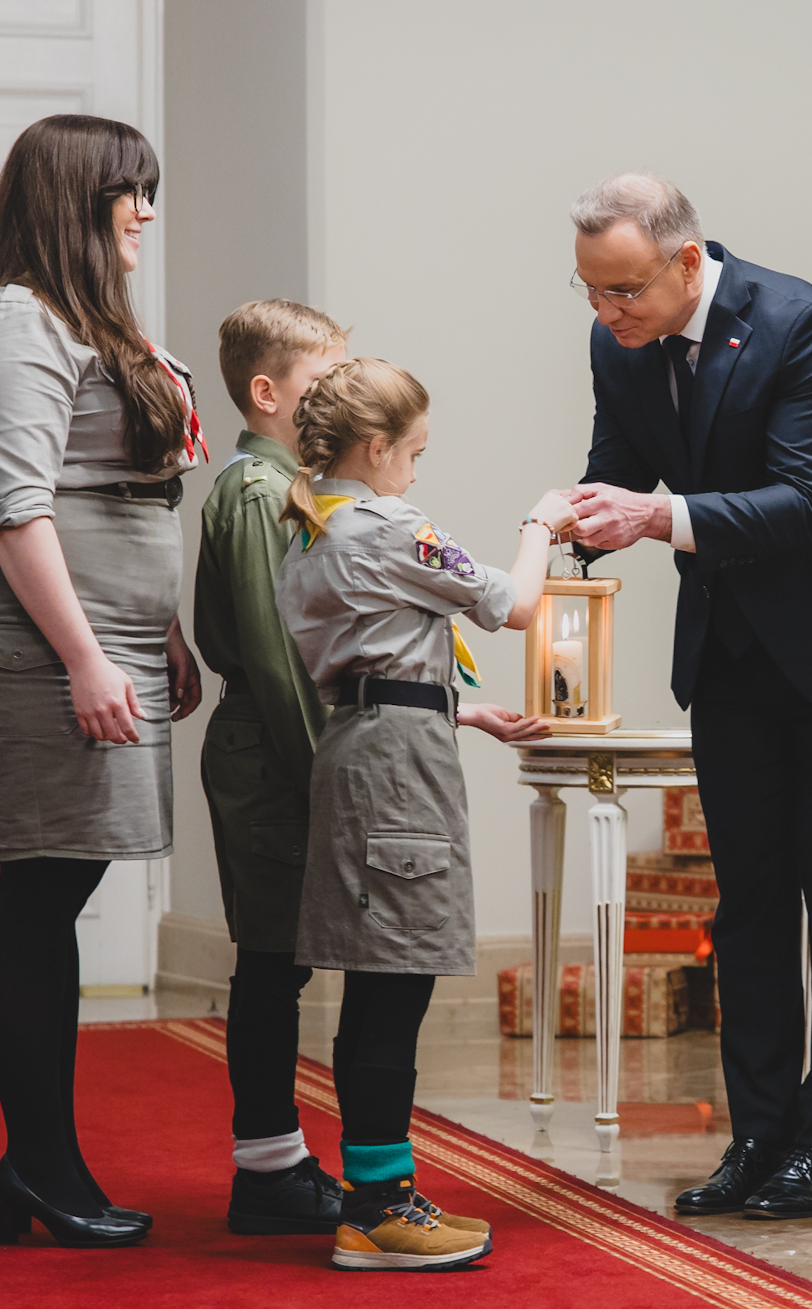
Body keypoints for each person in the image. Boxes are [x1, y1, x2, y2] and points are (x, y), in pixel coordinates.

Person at [564, 174, 812, 1220]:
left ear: (686, 264)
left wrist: (652, 516)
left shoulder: (795, 320)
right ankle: (757, 1135)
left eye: (624, 291)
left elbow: (806, 497)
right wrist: (577, 516)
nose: (606, 315)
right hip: (729, 650)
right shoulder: (616, 344)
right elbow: (619, 470)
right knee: (750, 903)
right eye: (589, 293)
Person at [0, 114, 204, 1248]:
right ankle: (44, 1164)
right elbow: (19, 508)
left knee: (66, 880)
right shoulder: (14, 324)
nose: (144, 211)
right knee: (46, 886)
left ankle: (36, 1168)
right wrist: (87, 653)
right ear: (70, 202)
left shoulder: (88, 315)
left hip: (115, 621)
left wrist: (161, 630)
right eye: (125, 193)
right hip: (40, 628)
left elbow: (126, 488)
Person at [276, 357, 574, 1270]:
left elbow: (375, 654)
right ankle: (377, 1209)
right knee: (394, 983)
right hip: (394, 767)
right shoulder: (387, 523)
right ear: (375, 449)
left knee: (379, 980)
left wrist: (465, 709)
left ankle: (379, 1186)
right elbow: (516, 604)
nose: (416, 471)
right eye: (413, 453)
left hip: (373, 742)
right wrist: (541, 522)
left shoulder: (312, 528)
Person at [192, 299, 349, 1234]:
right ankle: (267, 1170)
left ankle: (277, 1161)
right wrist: (326, 778)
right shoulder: (257, 494)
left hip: (285, 745)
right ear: (268, 391)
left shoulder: (291, 482)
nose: (339, 394)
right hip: (273, 750)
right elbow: (277, 653)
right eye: (324, 379)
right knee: (271, 962)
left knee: (281, 960)